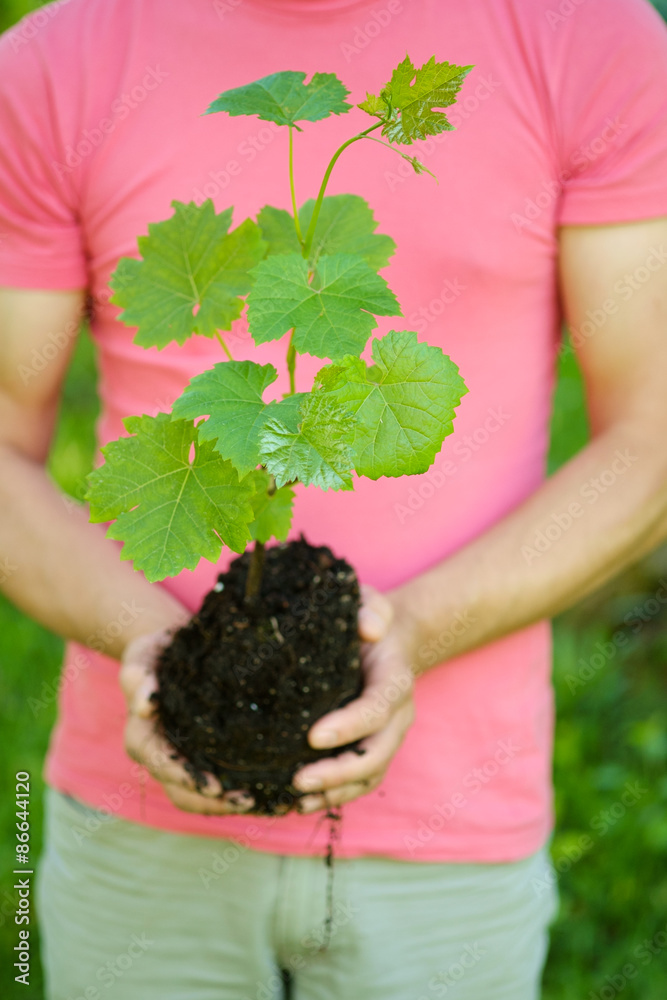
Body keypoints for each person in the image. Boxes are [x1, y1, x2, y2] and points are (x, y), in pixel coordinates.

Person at [1, 0, 666, 997]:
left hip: (455, 830)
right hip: (131, 816)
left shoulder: (589, 36)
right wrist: (156, 653)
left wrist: (412, 635)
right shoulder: (56, 58)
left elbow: (648, 442)